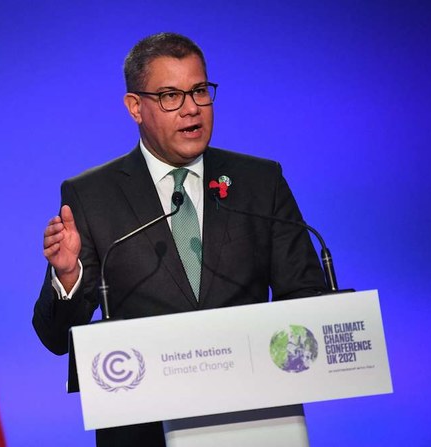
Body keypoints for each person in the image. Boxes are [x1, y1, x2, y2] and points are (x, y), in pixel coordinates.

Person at [33, 32, 326, 447]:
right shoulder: (91, 196)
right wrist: (67, 276)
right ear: (135, 107)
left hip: (255, 423)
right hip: (143, 431)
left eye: (200, 91)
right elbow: (55, 337)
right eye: (170, 95)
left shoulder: (261, 183)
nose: (191, 109)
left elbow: (306, 293)